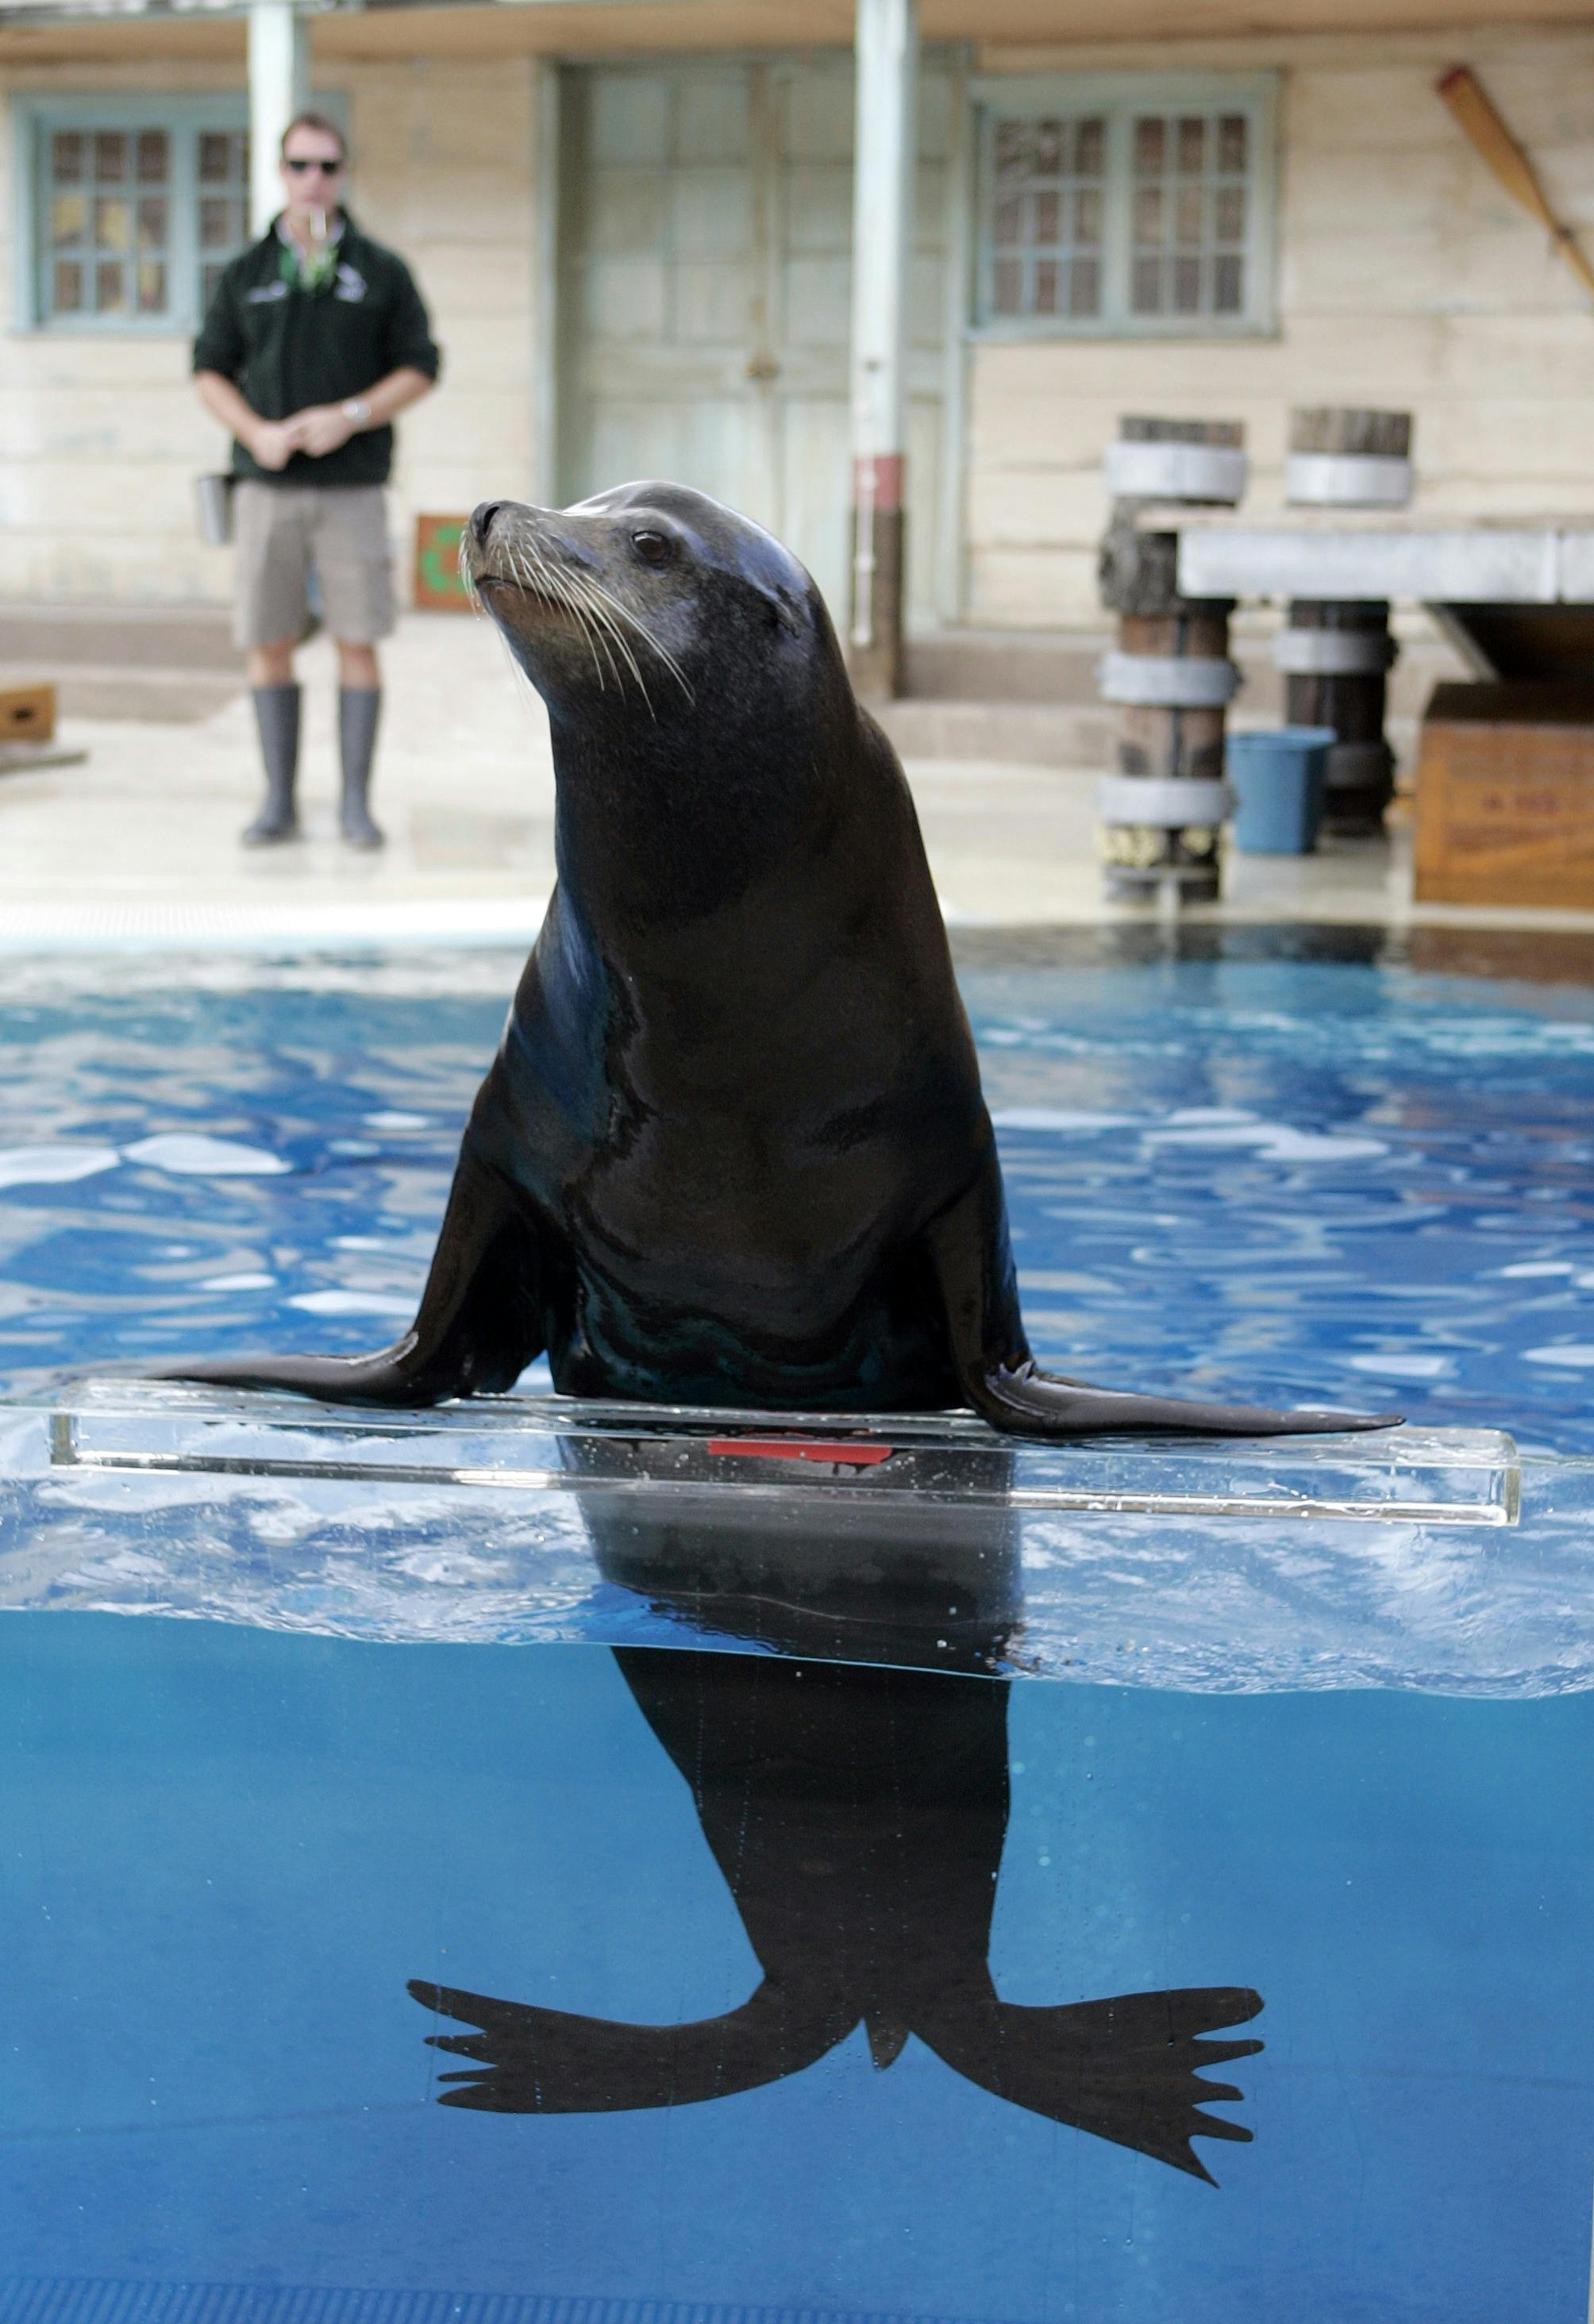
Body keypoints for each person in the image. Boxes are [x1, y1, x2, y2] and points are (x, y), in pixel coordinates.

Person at [193, 110, 440, 849]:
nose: (314, 180)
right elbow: (208, 369)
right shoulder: (246, 273)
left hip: (353, 486)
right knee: (268, 638)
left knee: (357, 637)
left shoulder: (381, 269)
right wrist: (254, 432)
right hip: (267, 488)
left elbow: (421, 366)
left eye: (327, 167)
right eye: (300, 166)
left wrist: (353, 414)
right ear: (281, 172)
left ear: (343, 173)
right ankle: (278, 803)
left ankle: (356, 805)